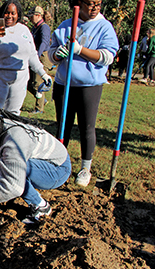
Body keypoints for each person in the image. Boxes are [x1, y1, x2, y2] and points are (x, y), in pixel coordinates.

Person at [0, 99, 71, 222]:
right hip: (36, 164)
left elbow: (13, 187)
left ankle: (41, 206)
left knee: (3, 167)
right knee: (0, 165)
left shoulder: (15, 139)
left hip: (57, 169)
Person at [48, 0, 119, 187]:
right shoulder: (66, 26)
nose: (95, 7)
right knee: (63, 126)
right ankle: (59, 163)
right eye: (90, 3)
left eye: (99, 3)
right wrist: (57, 54)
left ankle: (85, 168)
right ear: (79, 3)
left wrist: (80, 50)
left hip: (89, 85)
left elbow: (108, 57)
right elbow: (51, 54)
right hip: (64, 84)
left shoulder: (104, 26)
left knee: (87, 127)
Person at [0, 0, 52, 115]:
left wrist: (43, 74)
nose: (9, 16)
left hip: (19, 80)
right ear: (2, 13)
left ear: (18, 15)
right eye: (7, 13)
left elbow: (32, 54)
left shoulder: (24, 30)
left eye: (13, 13)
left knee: (13, 114)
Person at [26, 6, 52, 114]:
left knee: (38, 83)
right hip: (34, 55)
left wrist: (37, 55)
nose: (31, 19)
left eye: (32, 17)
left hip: (42, 56)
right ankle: (42, 100)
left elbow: (44, 42)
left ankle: (39, 108)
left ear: (38, 16)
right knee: (27, 82)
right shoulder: (34, 28)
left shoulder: (44, 27)